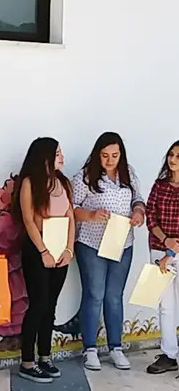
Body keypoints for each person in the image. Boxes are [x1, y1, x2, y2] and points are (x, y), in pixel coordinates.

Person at [71, 131, 145, 371]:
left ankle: (116, 347)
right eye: (105, 155)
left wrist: (138, 212)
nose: (110, 160)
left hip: (122, 242)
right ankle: (90, 349)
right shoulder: (85, 176)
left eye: (114, 155)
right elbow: (70, 208)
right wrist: (91, 215)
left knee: (114, 296)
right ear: (97, 155)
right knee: (94, 294)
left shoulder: (128, 173)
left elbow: (138, 200)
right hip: (92, 243)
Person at [13, 138, 75, 383]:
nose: (62, 157)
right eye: (57, 153)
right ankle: (27, 361)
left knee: (51, 305)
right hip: (38, 251)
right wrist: (43, 251)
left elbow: (70, 217)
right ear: (45, 157)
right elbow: (29, 220)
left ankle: (45, 356)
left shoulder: (63, 183)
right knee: (37, 305)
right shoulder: (29, 183)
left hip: (61, 251)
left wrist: (69, 249)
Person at [143, 139, 179, 375]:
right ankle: (169, 354)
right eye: (171, 155)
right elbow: (150, 214)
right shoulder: (160, 185)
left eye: (178, 156)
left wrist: (172, 250)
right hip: (160, 248)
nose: (173, 160)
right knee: (165, 306)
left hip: (172, 251)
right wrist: (165, 243)